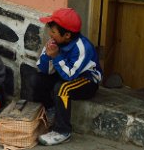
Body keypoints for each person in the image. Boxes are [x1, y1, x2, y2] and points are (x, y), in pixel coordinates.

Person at [22, 8, 103, 146]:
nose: (50, 34)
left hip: (86, 81)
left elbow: (69, 76)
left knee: (62, 88)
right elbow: (44, 70)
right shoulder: (54, 42)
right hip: (64, 73)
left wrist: (56, 57)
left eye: (53, 32)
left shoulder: (83, 47)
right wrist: (48, 56)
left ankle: (62, 131)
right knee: (35, 78)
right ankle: (52, 109)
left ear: (66, 35)